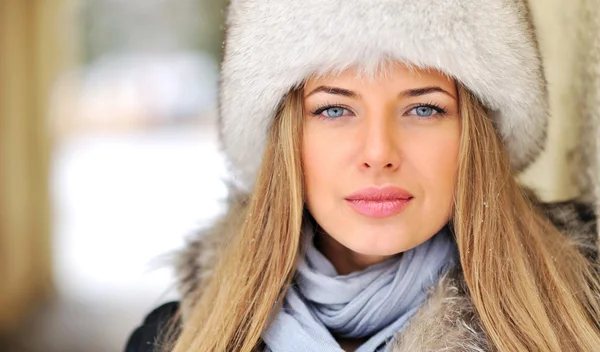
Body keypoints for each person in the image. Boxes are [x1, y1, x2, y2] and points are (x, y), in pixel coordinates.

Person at [126, 0, 600, 351]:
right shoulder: (174, 339)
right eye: (334, 108)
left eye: (423, 108)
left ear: (476, 137)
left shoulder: (578, 318)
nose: (378, 153)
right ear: (288, 141)